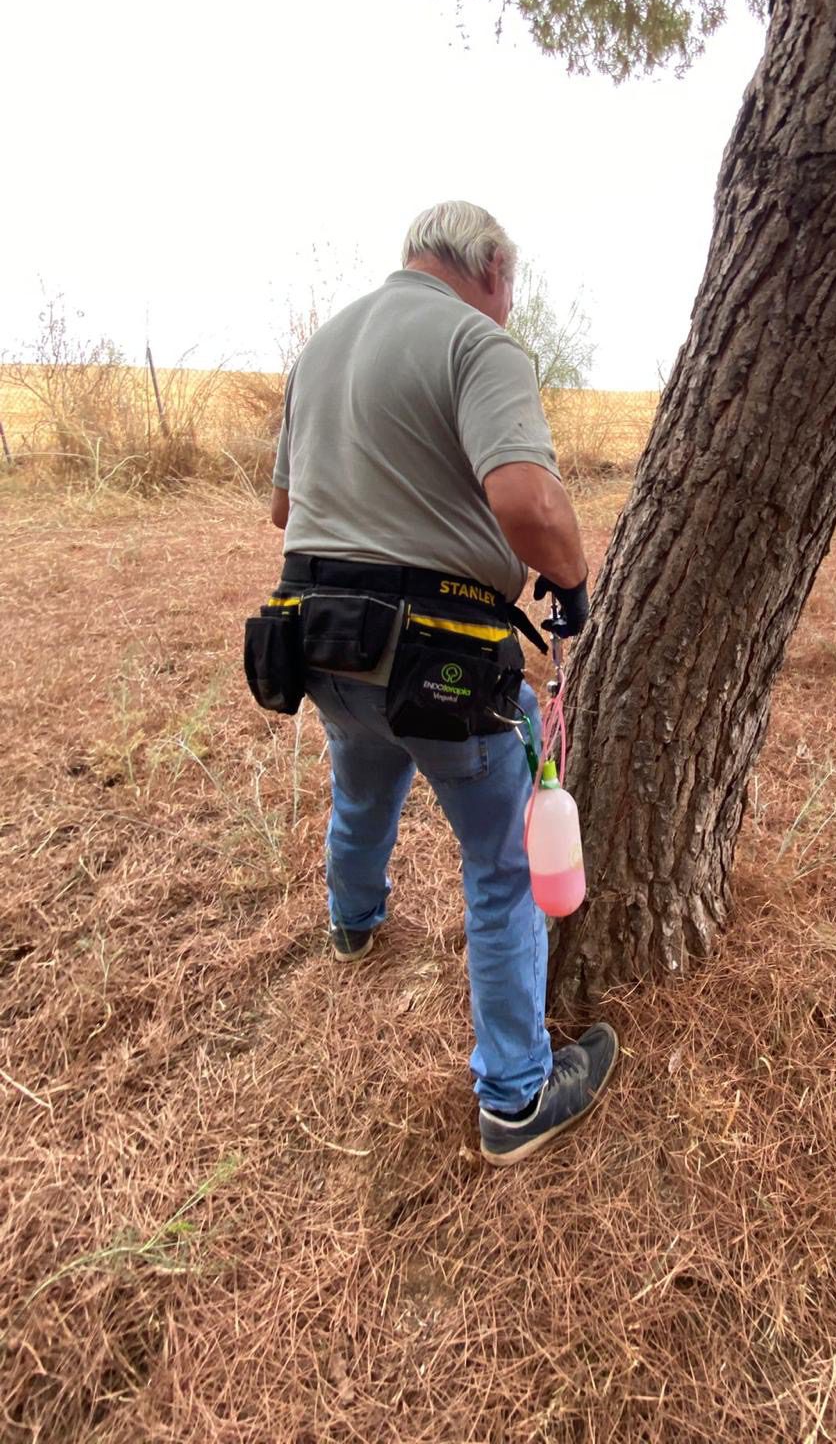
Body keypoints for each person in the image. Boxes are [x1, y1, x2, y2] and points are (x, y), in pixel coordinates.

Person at [267, 201, 617, 1166]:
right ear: (495, 269)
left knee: (361, 781)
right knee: (505, 867)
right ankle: (515, 1096)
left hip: (320, 639)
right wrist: (573, 585)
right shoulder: (478, 343)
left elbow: (284, 508)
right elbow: (527, 498)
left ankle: (352, 924)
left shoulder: (321, 349)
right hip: (438, 662)